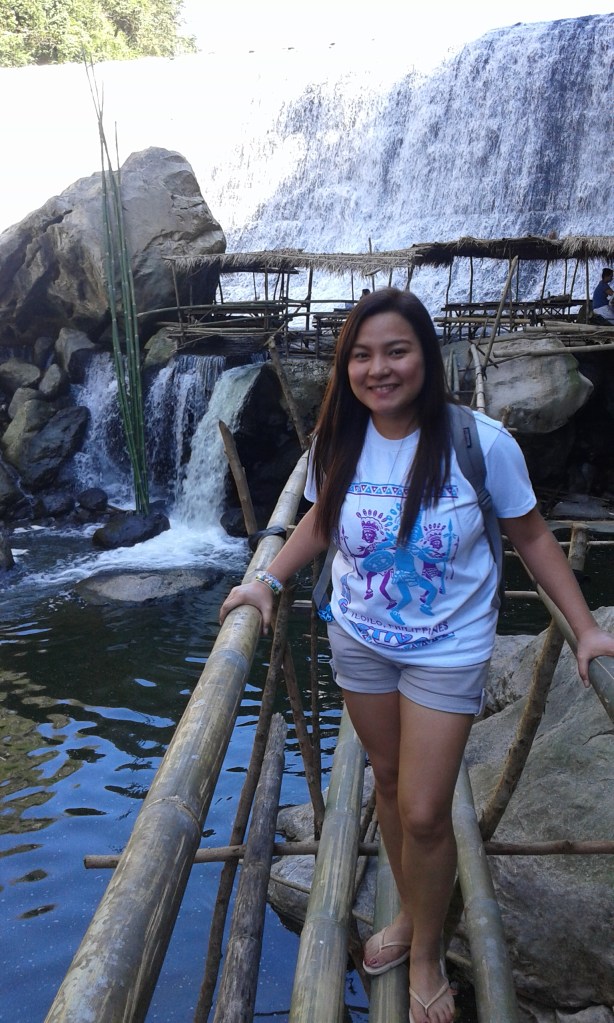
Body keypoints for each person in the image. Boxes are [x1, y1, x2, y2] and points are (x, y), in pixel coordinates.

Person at [219, 288, 614, 1023]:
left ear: (426, 358)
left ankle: (426, 950)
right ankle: (407, 915)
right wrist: (266, 581)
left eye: (396, 351)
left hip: (448, 648)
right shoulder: (338, 438)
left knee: (427, 811)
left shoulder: (480, 442)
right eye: (363, 355)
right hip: (360, 638)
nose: (380, 369)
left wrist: (586, 628)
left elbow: (531, 536)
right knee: (392, 780)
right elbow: (319, 520)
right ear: (347, 366)